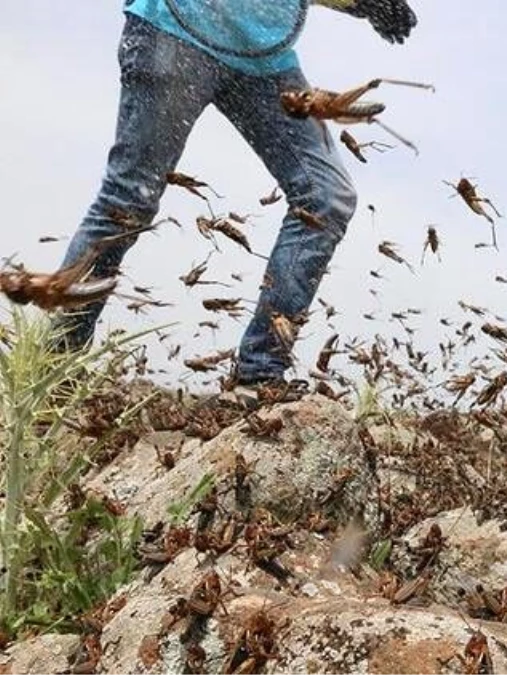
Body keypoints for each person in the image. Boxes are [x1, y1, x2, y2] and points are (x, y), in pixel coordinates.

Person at [49, 0, 417, 405]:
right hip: (172, 30)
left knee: (325, 198)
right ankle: (51, 375)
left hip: (263, 59)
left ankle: (258, 375)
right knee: (128, 200)